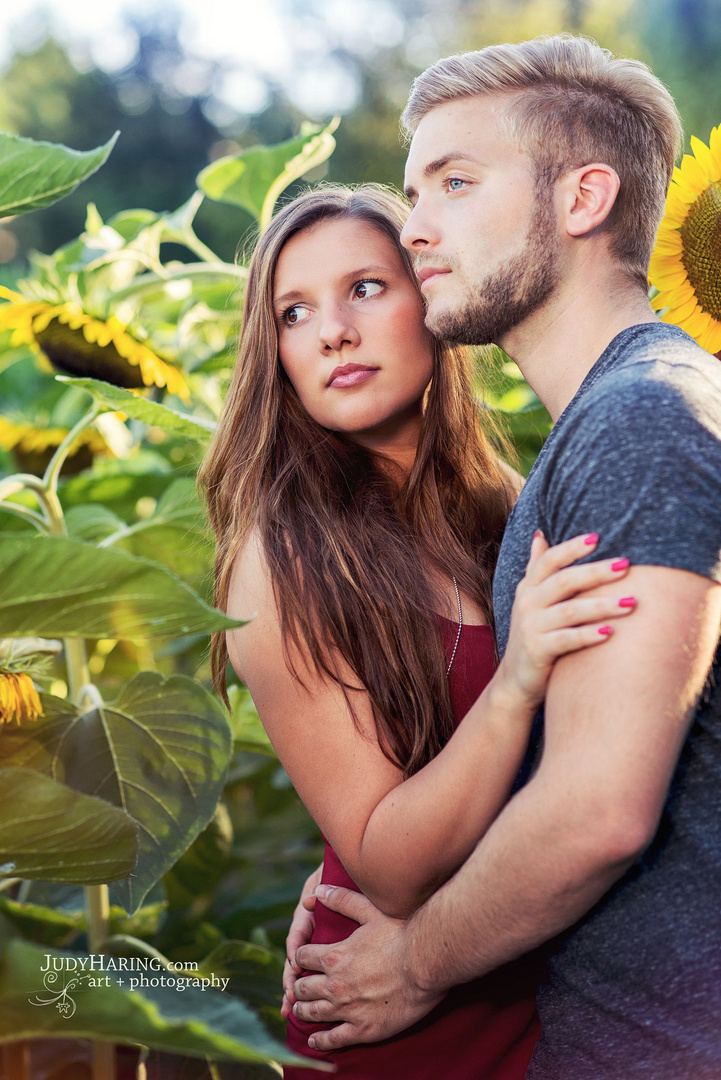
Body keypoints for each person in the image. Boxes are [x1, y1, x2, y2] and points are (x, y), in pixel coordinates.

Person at [288, 34, 721, 1080]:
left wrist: (414, 962)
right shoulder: (592, 432)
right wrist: (380, 866)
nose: (415, 228)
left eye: (454, 182)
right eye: (411, 189)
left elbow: (599, 810)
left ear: (582, 199)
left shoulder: (642, 420)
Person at [197, 182, 638, 1080]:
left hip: (548, 981)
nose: (333, 332)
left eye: (365, 287)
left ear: (430, 299)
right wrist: (517, 680)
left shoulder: (510, 508)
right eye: (294, 312)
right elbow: (389, 870)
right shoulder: (282, 565)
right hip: (394, 1018)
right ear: (273, 352)